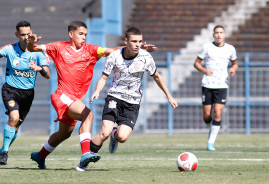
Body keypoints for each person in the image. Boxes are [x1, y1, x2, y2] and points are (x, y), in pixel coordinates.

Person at [27, 21, 156, 171]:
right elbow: (33, 48)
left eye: (85, 35)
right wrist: (30, 42)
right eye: (81, 34)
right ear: (71, 34)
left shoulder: (91, 50)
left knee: (63, 134)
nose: (84, 37)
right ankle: (86, 154)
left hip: (74, 100)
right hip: (62, 95)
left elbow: (113, 51)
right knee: (88, 115)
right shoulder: (58, 47)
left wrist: (136, 50)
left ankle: (40, 156)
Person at [89, 27, 178, 161]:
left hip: (133, 102)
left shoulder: (146, 57)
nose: (138, 44)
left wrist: (169, 96)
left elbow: (157, 77)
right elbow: (103, 77)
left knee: (122, 137)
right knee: (104, 132)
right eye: (134, 41)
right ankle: (86, 157)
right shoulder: (114, 56)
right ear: (126, 41)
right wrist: (97, 91)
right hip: (115, 97)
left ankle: (115, 135)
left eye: (140, 41)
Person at [0, 20, 51, 165]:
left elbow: (48, 75)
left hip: (27, 94)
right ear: (17, 35)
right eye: (22, 34)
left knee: (15, 127)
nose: (26, 37)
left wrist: (40, 69)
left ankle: (3, 148)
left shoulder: (38, 52)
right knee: (13, 118)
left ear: (32, 33)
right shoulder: (10, 49)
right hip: (10, 90)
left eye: (28, 34)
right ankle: (4, 152)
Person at [194, 25, 238, 151]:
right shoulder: (207, 47)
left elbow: (235, 63)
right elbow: (196, 63)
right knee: (207, 115)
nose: (219, 35)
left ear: (224, 34)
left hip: (221, 85)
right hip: (207, 84)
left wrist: (233, 69)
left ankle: (210, 143)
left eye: (221, 32)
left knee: (217, 113)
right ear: (213, 35)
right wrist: (204, 70)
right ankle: (212, 129)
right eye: (216, 33)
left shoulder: (230, 49)